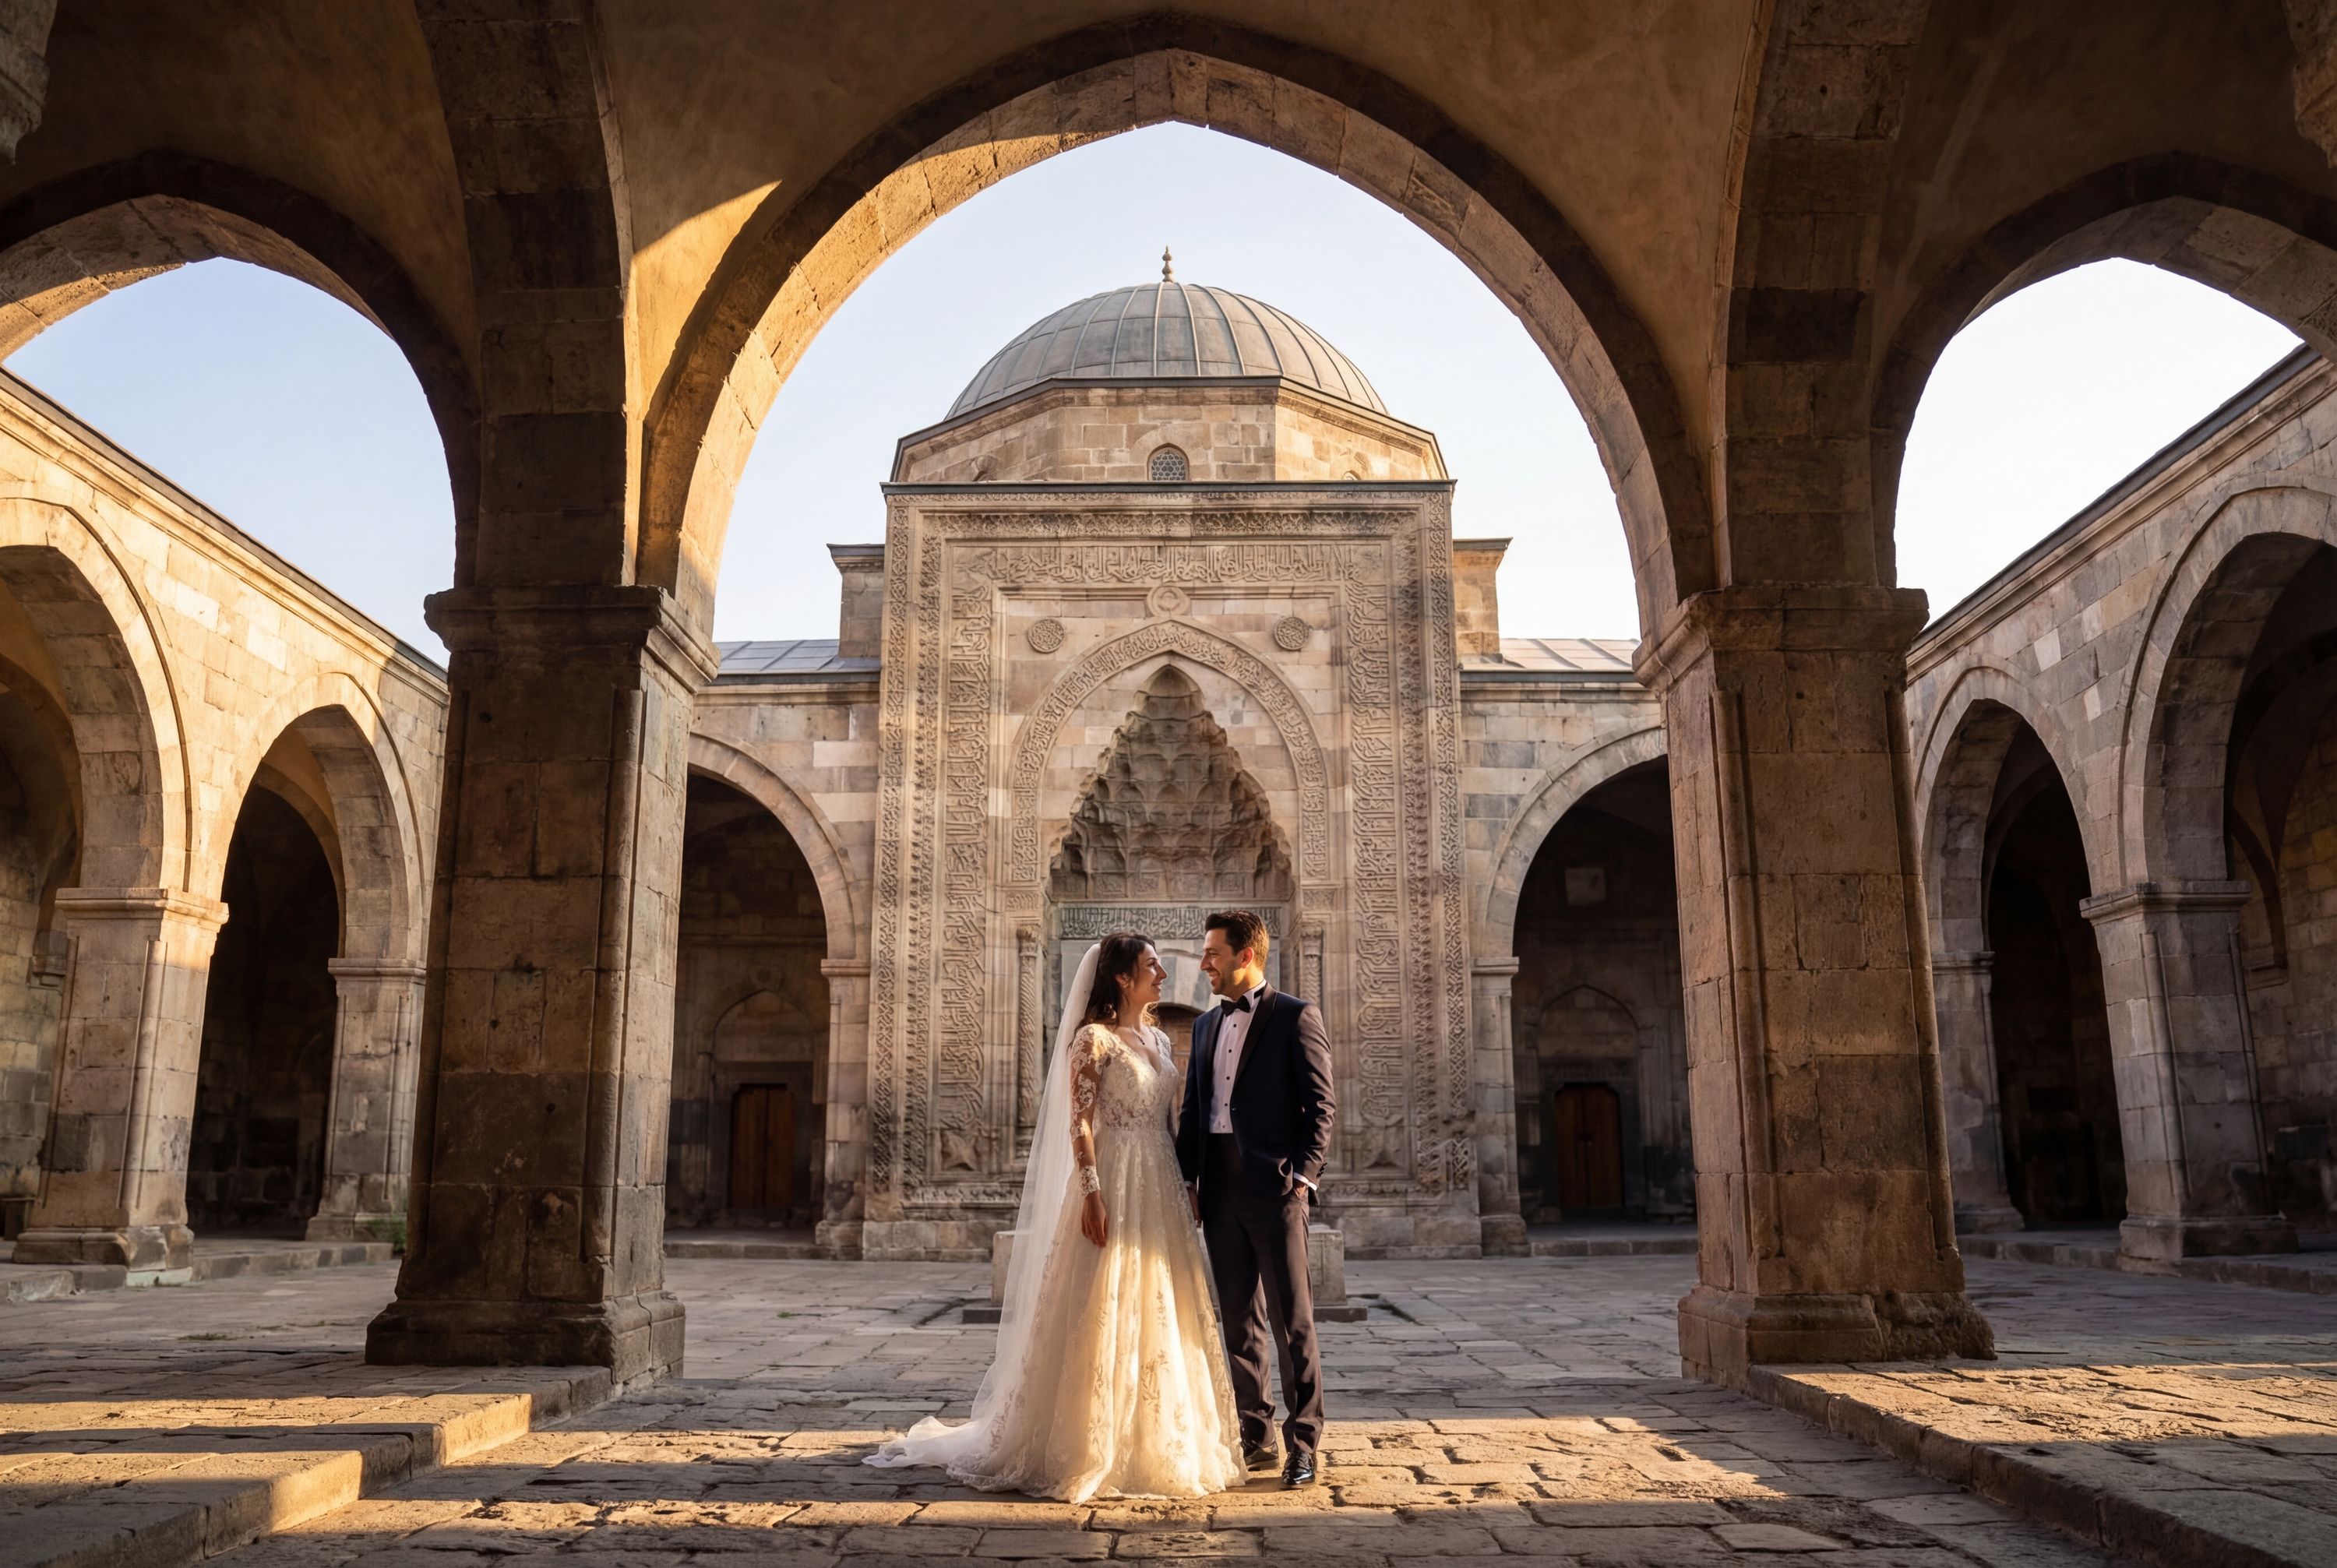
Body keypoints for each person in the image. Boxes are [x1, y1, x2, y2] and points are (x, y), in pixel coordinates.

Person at [866, 932, 1243, 1501]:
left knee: (1159, 1302)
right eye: (1152, 964)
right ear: (1122, 976)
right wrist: (1092, 1191)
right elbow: (1081, 1121)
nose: (1162, 972)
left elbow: (1169, 1122)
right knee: (1101, 1301)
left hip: (1158, 1182)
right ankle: (1088, 1442)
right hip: (1111, 1178)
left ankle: (1156, 1434)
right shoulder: (1093, 1039)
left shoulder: (1160, 1042)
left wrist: (1185, 1183)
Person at [1176, 908, 1336, 1489]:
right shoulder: (1202, 1026)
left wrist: (1303, 1175)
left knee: (1293, 1320)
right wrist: (1188, 1179)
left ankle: (1305, 1443)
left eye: (1213, 952)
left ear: (1246, 955)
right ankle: (1255, 1433)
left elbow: (1322, 1104)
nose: (1204, 962)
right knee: (1239, 1319)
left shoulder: (1295, 1016)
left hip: (1275, 1185)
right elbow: (1194, 1110)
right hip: (1217, 1186)